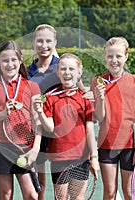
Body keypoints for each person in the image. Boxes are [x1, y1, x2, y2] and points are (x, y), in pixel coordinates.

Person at [27, 24, 90, 200]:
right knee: (40, 182)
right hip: (40, 128)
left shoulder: (62, 64)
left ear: (55, 42)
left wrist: (88, 93)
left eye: (48, 41)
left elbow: (78, 86)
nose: (43, 45)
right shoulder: (29, 70)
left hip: (63, 135)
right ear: (34, 42)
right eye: (39, 41)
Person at [90, 37, 135, 200]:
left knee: (130, 194)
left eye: (118, 56)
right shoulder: (97, 82)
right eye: (110, 56)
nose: (114, 60)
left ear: (126, 56)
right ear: (104, 56)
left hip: (128, 148)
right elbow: (99, 116)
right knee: (109, 193)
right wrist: (100, 98)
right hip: (106, 146)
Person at [0, 40, 42, 200]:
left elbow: (38, 121)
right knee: (6, 195)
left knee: (32, 195)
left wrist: (35, 149)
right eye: (4, 60)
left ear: (21, 59)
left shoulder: (32, 86)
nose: (9, 64)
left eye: (13, 60)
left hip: (25, 146)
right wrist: (3, 113)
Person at [33, 53, 100, 199]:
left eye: (71, 69)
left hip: (81, 158)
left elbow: (90, 129)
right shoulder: (50, 98)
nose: (67, 72)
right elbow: (50, 128)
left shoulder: (85, 98)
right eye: (63, 69)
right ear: (57, 72)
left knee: (77, 198)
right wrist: (40, 112)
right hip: (58, 158)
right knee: (61, 198)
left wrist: (94, 157)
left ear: (79, 72)